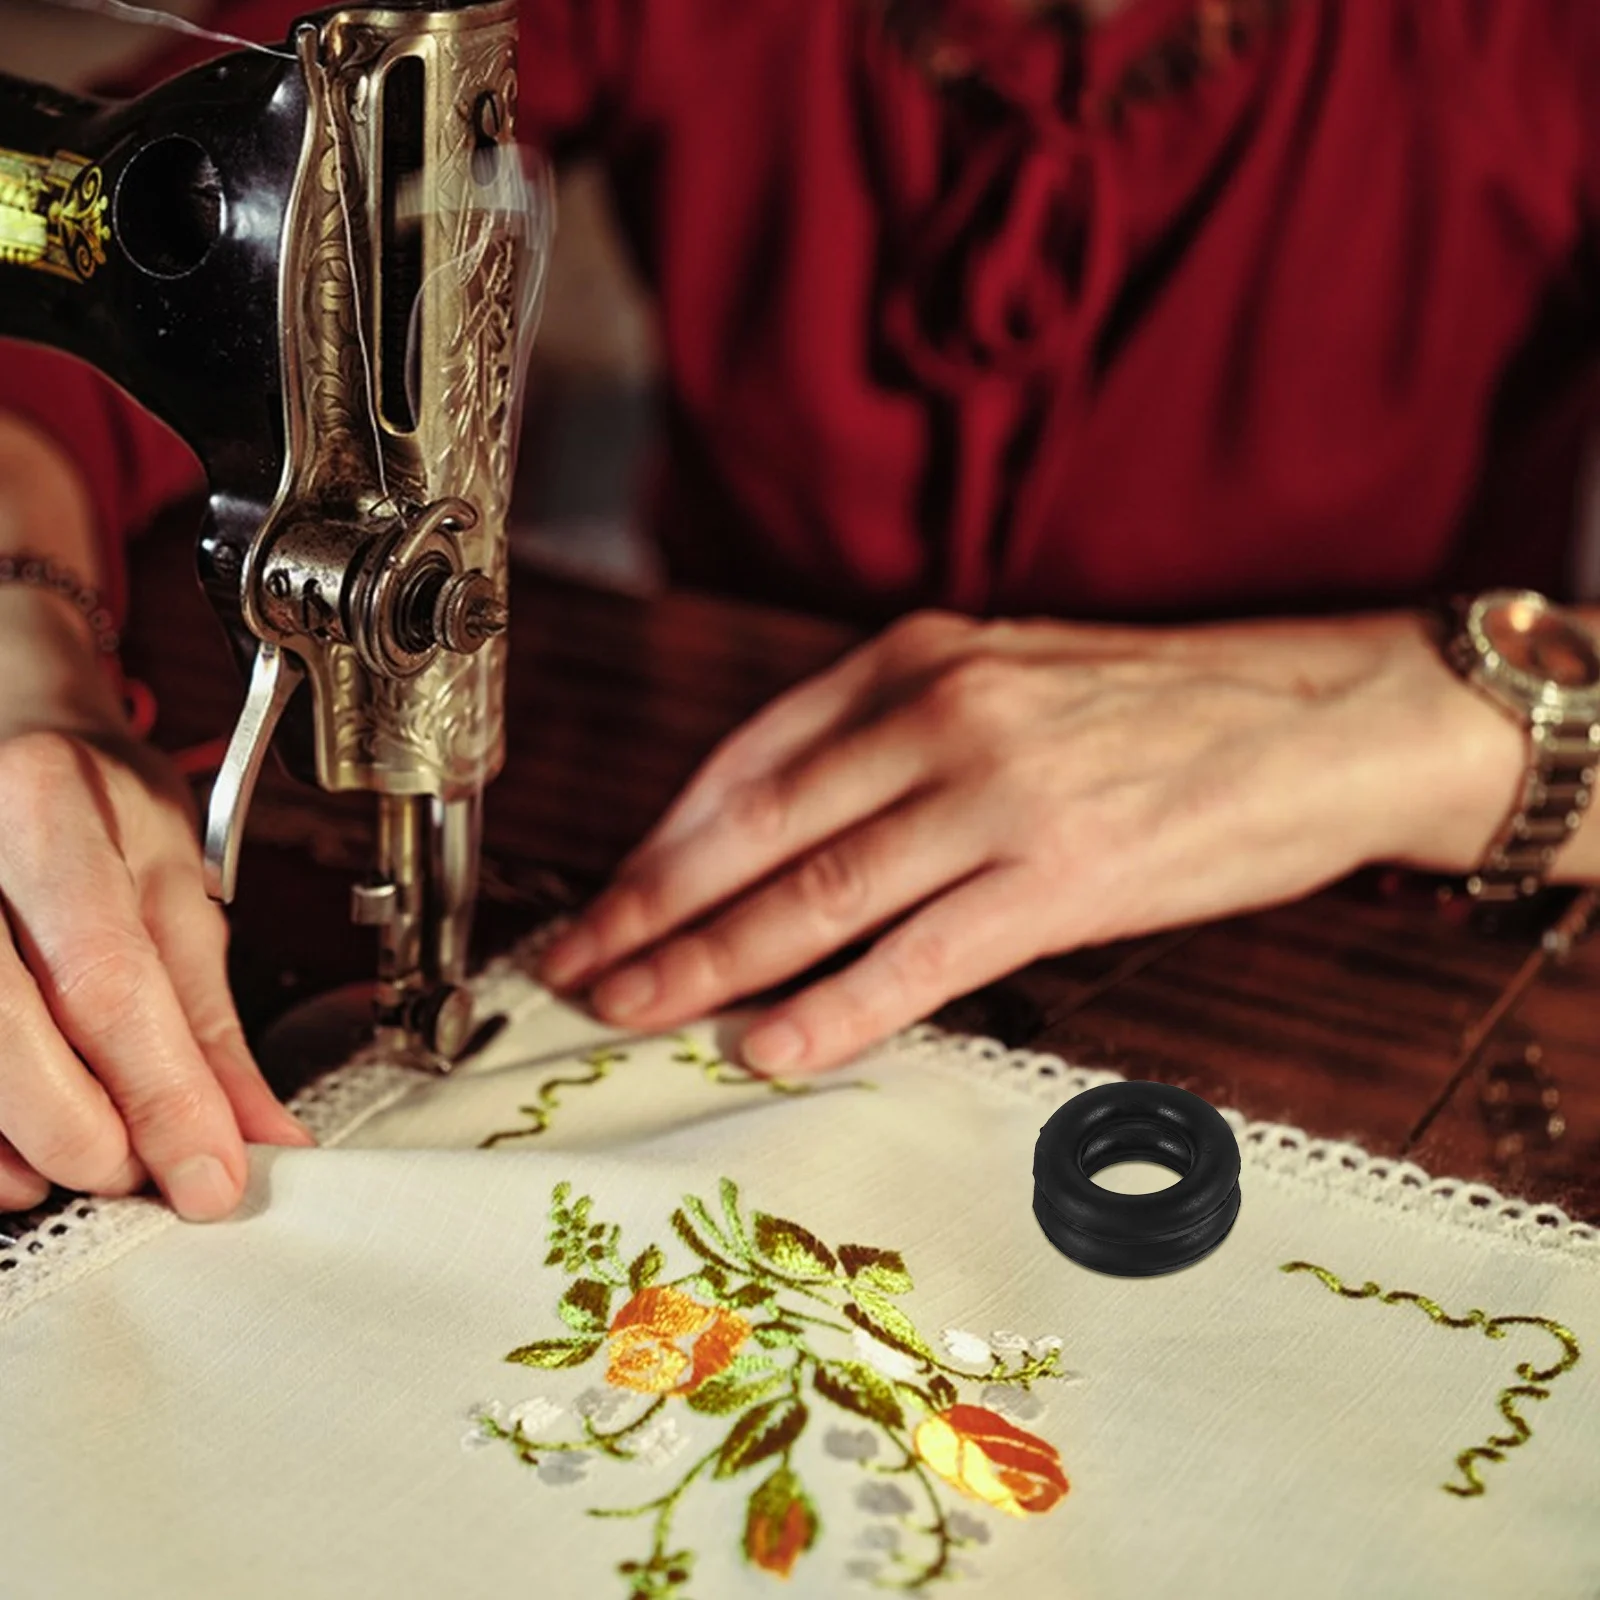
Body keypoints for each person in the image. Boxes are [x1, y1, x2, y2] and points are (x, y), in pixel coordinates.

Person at [1, 0, 1597, 1223]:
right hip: (703, 825)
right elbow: (146, 241)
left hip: (1373, 957)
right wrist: (25, 654)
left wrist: (1442, 711)